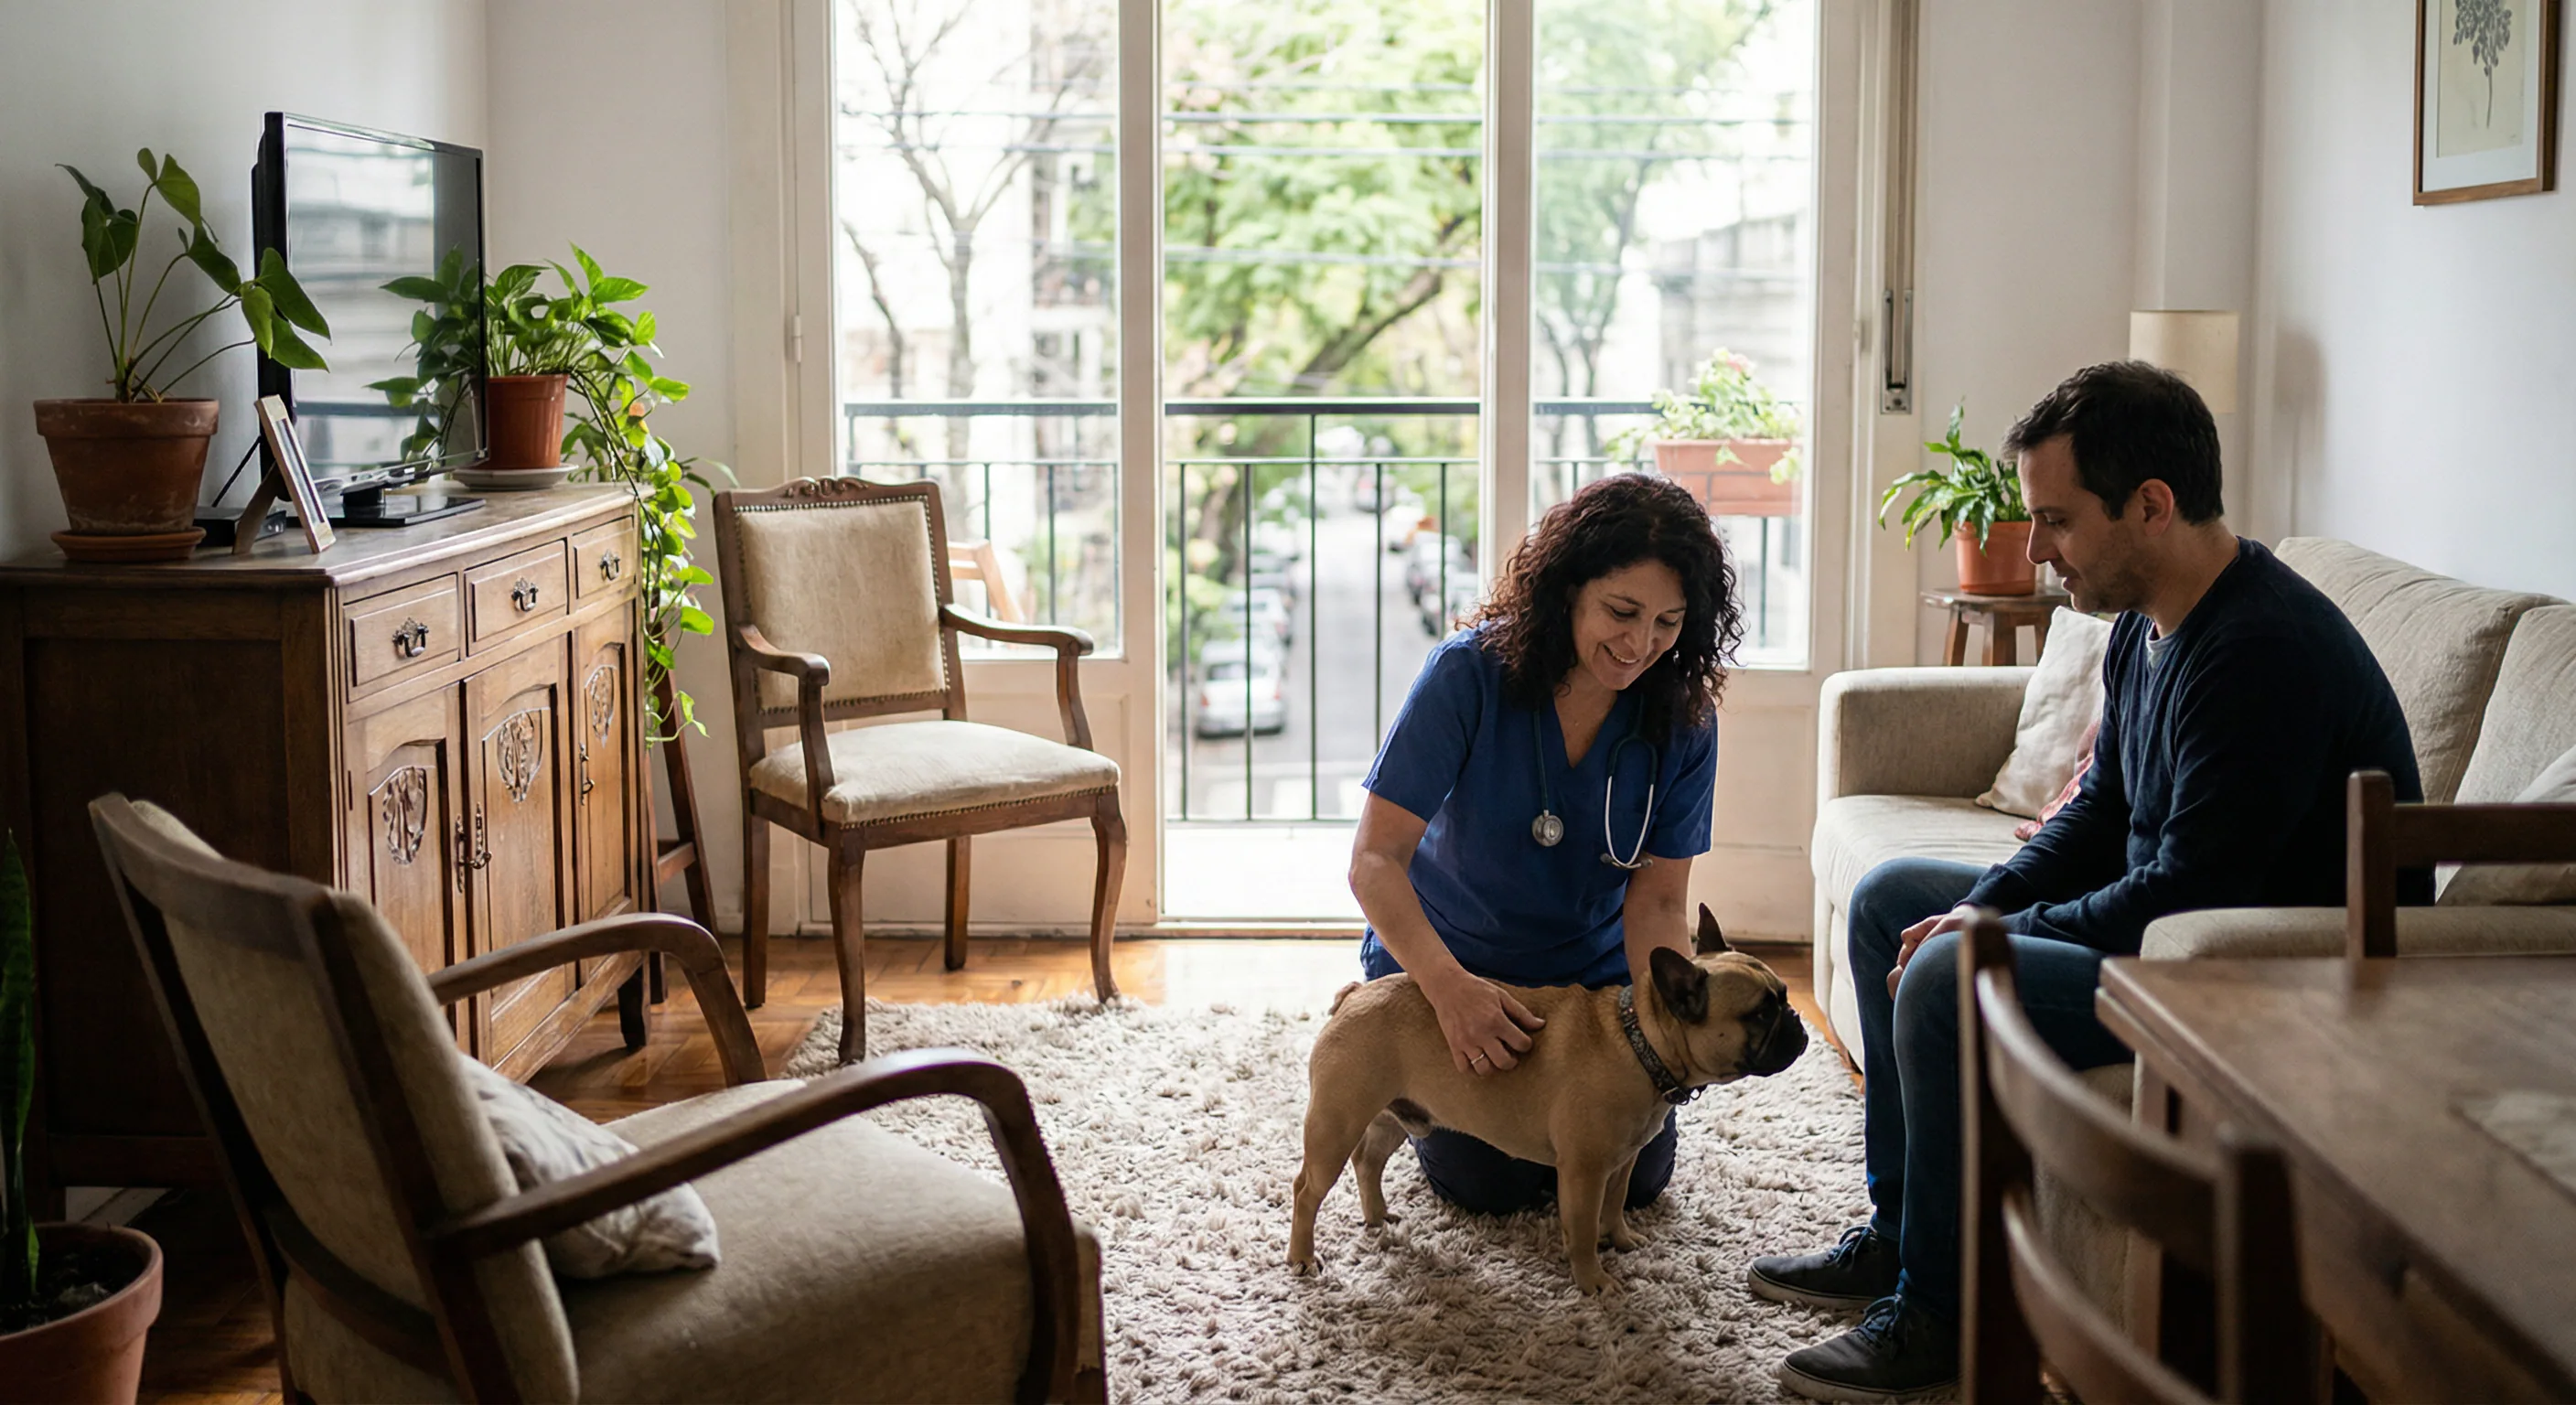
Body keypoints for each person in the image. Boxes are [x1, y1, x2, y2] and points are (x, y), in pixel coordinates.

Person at [1755, 361, 2427, 1402]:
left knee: (1942, 978)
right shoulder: (2141, 626)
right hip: (2178, 933)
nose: (2033, 550)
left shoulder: (2258, 655)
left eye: (2055, 520)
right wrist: (1980, 905)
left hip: (2260, 988)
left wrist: (1972, 945)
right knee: (1898, 896)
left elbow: (2180, 899)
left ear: (2149, 507)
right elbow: (2100, 811)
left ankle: (1940, 1314)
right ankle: (1900, 1238)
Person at [1348, 472, 1742, 1214]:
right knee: (1490, 1185)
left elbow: (1657, 900)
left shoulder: (1684, 720)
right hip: (1453, 966)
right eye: (1621, 612)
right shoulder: (1467, 676)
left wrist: (1662, 1036)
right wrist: (1448, 991)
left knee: (1633, 1176)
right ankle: (1404, 1089)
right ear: (1567, 590)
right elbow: (1374, 861)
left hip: (1586, 993)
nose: (1639, 644)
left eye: (1667, 623)